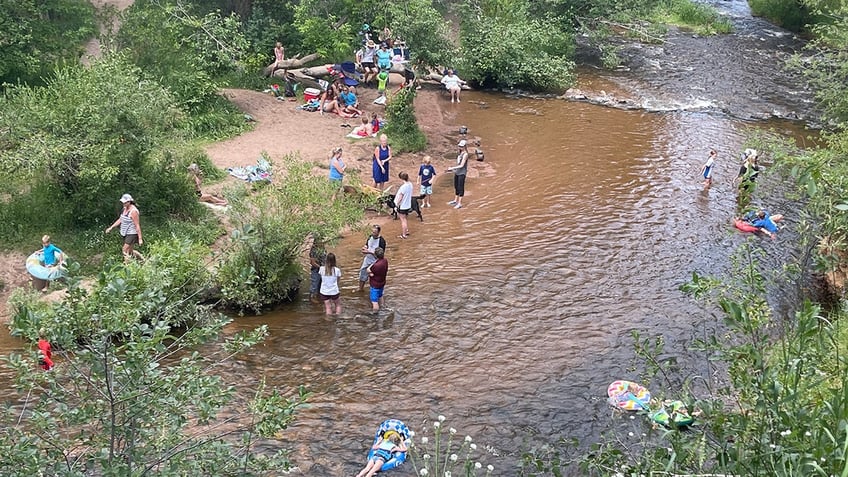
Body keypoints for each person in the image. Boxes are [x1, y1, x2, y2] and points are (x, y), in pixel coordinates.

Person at [105, 194, 144, 261]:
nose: (123, 203)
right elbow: (120, 219)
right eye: (123, 202)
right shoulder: (124, 209)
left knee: (124, 250)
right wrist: (111, 227)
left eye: (125, 202)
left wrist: (140, 238)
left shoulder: (134, 211)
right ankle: (143, 260)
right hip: (125, 232)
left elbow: (137, 225)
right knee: (130, 252)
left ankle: (126, 267)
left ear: (129, 202)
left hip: (132, 233)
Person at [358, 225, 386, 291]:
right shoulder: (370, 237)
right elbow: (367, 244)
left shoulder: (382, 241)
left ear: (378, 232)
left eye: (374, 232)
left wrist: (369, 252)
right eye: (372, 232)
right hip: (367, 259)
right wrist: (364, 247)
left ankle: (374, 290)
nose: (373, 233)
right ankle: (360, 289)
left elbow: (381, 254)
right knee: (362, 273)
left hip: (375, 261)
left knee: (373, 276)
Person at [447, 140, 469, 209]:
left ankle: (459, 203)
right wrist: (454, 169)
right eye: (459, 146)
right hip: (457, 172)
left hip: (462, 173)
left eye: (461, 146)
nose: (460, 147)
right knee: (456, 186)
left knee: (460, 187)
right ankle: (455, 200)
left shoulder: (465, 154)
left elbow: (462, 165)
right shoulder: (460, 153)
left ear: (465, 146)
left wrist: (452, 168)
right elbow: (458, 164)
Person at [367, 247, 388, 311]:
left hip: (375, 285)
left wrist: (370, 269)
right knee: (380, 295)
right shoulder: (385, 261)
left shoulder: (376, 265)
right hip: (382, 282)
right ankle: (383, 307)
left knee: (374, 301)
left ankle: (375, 315)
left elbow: (369, 271)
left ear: (375, 255)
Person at [395, 172, 414, 239]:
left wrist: (396, 204)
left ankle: (404, 235)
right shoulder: (410, 184)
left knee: (403, 220)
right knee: (405, 219)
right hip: (408, 205)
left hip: (402, 206)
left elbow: (400, 197)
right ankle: (406, 231)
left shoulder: (403, 187)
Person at [308, 236, 326, 303]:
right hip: (316, 270)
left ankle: (319, 298)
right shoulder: (313, 250)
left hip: (323, 269)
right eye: (320, 241)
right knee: (314, 285)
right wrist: (320, 267)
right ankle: (311, 299)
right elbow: (312, 262)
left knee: (321, 285)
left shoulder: (323, 248)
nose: (321, 242)